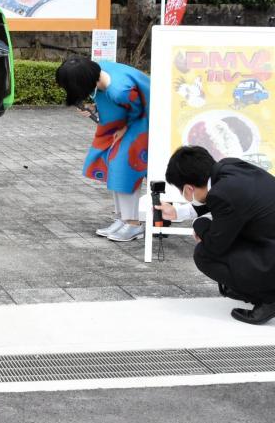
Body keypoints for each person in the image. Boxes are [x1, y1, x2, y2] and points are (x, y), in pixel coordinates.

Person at [159, 145, 275, 325]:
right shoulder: (229, 167)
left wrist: (200, 225)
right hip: (267, 238)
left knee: (204, 254)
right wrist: (177, 212)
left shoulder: (224, 194)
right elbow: (215, 201)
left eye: (182, 191)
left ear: (188, 189)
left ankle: (269, 299)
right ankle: (251, 286)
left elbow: (215, 245)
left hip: (270, 252)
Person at [56, 57, 150, 241]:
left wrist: (123, 129)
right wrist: (95, 108)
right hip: (131, 122)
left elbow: (137, 111)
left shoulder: (119, 91)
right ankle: (123, 218)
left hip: (144, 123)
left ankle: (133, 224)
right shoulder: (100, 69)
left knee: (123, 167)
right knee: (114, 164)